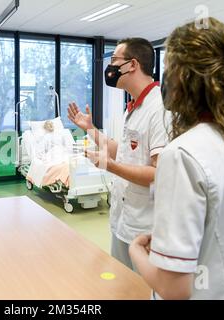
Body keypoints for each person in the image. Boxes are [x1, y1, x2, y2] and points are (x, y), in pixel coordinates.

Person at [129, 17, 224, 299]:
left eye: (168, 70)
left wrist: (136, 252)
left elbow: (174, 289)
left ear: (186, 78)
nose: (164, 82)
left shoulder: (182, 155)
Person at [68, 38, 169, 270]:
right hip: (123, 219)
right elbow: (122, 151)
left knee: (140, 292)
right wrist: (90, 129)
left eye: (115, 60)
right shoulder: (133, 107)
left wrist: (108, 166)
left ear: (132, 65)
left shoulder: (159, 109)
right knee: (122, 287)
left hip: (145, 227)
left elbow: (158, 173)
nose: (110, 67)